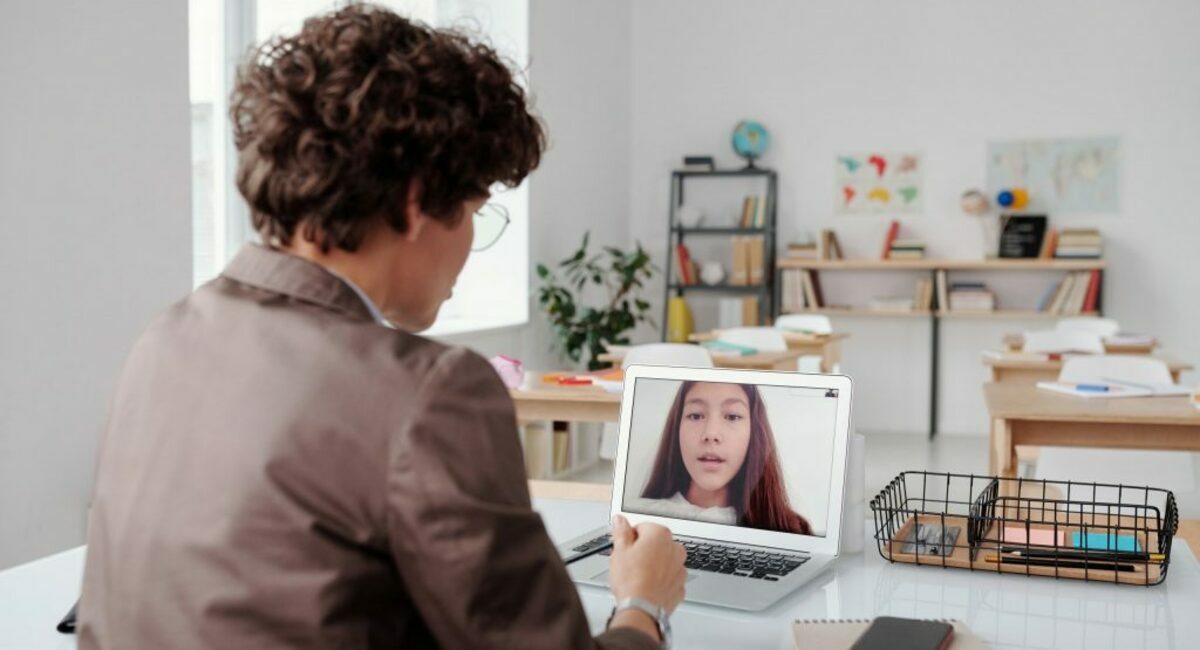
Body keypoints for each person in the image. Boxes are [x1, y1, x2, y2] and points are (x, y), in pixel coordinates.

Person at [78, 4, 684, 648]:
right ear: (418, 199)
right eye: (477, 208)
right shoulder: (428, 391)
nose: (472, 241)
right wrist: (644, 603)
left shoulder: (165, 337)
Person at [630, 381, 812, 535]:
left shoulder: (788, 530)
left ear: (754, 432)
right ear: (677, 427)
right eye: (695, 415)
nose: (711, 434)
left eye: (732, 416)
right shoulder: (638, 520)